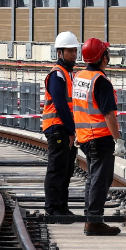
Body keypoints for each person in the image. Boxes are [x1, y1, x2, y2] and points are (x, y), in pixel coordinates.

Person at [72, 38, 125, 236]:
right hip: (100, 138)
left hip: (86, 136)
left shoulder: (80, 76)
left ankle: (91, 218)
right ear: (103, 57)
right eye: (107, 53)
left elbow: (78, 107)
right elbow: (109, 114)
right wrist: (117, 139)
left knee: (92, 179)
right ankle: (94, 221)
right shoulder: (100, 81)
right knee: (100, 180)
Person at [42, 31, 79, 217]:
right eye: (70, 51)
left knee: (66, 170)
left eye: (75, 50)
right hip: (58, 127)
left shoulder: (68, 74)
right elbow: (61, 105)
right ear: (60, 52)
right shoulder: (57, 75)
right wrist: (72, 130)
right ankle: (52, 209)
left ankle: (62, 207)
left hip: (65, 127)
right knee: (57, 169)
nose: (74, 54)